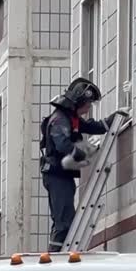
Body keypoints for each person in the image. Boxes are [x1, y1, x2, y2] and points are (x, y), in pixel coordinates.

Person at [40, 77, 125, 252]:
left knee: (65, 221)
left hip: (62, 176)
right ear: (77, 102)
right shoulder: (60, 120)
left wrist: (115, 118)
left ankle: (56, 256)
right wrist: (85, 150)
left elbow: (92, 127)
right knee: (64, 223)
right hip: (56, 176)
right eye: (87, 104)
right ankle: (55, 260)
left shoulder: (71, 119)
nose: (88, 109)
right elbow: (62, 144)